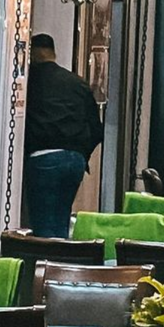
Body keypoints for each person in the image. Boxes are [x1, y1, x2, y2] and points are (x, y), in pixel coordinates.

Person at [22, 33, 102, 237]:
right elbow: (96, 128)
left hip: (43, 157)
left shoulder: (28, 82)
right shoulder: (77, 83)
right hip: (74, 160)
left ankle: (46, 265)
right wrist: (82, 154)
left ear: (33, 54)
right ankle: (60, 261)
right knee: (61, 217)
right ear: (53, 53)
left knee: (43, 224)